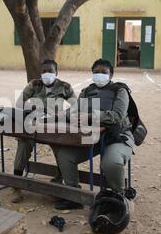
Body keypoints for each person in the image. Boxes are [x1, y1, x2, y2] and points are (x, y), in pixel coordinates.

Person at [54, 59, 134, 210]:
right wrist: (58, 116)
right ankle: (73, 196)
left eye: (104, 72)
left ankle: (118, 198)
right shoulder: (87, 91)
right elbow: (75, 111)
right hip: (92, 135)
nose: (99, 75)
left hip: (116, 136)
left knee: (111, 163)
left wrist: (90, 116)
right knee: (64, 156)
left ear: (111, 75)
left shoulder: (120, 90)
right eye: (96, 72)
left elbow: (117, 115)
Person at [12, 59, 76, 203]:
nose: (47, 74)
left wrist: (61, 115)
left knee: (62, 148)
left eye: (50, 71)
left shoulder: (65, 87)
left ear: (56, 72)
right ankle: (16, 183)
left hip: (55, 126)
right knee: (23, 144)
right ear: (40, 73)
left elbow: (75, 106)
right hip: (34, 124)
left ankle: (60, 178)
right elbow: (19, 102)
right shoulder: (34, 85)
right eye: (44, 71)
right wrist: (32, 110)